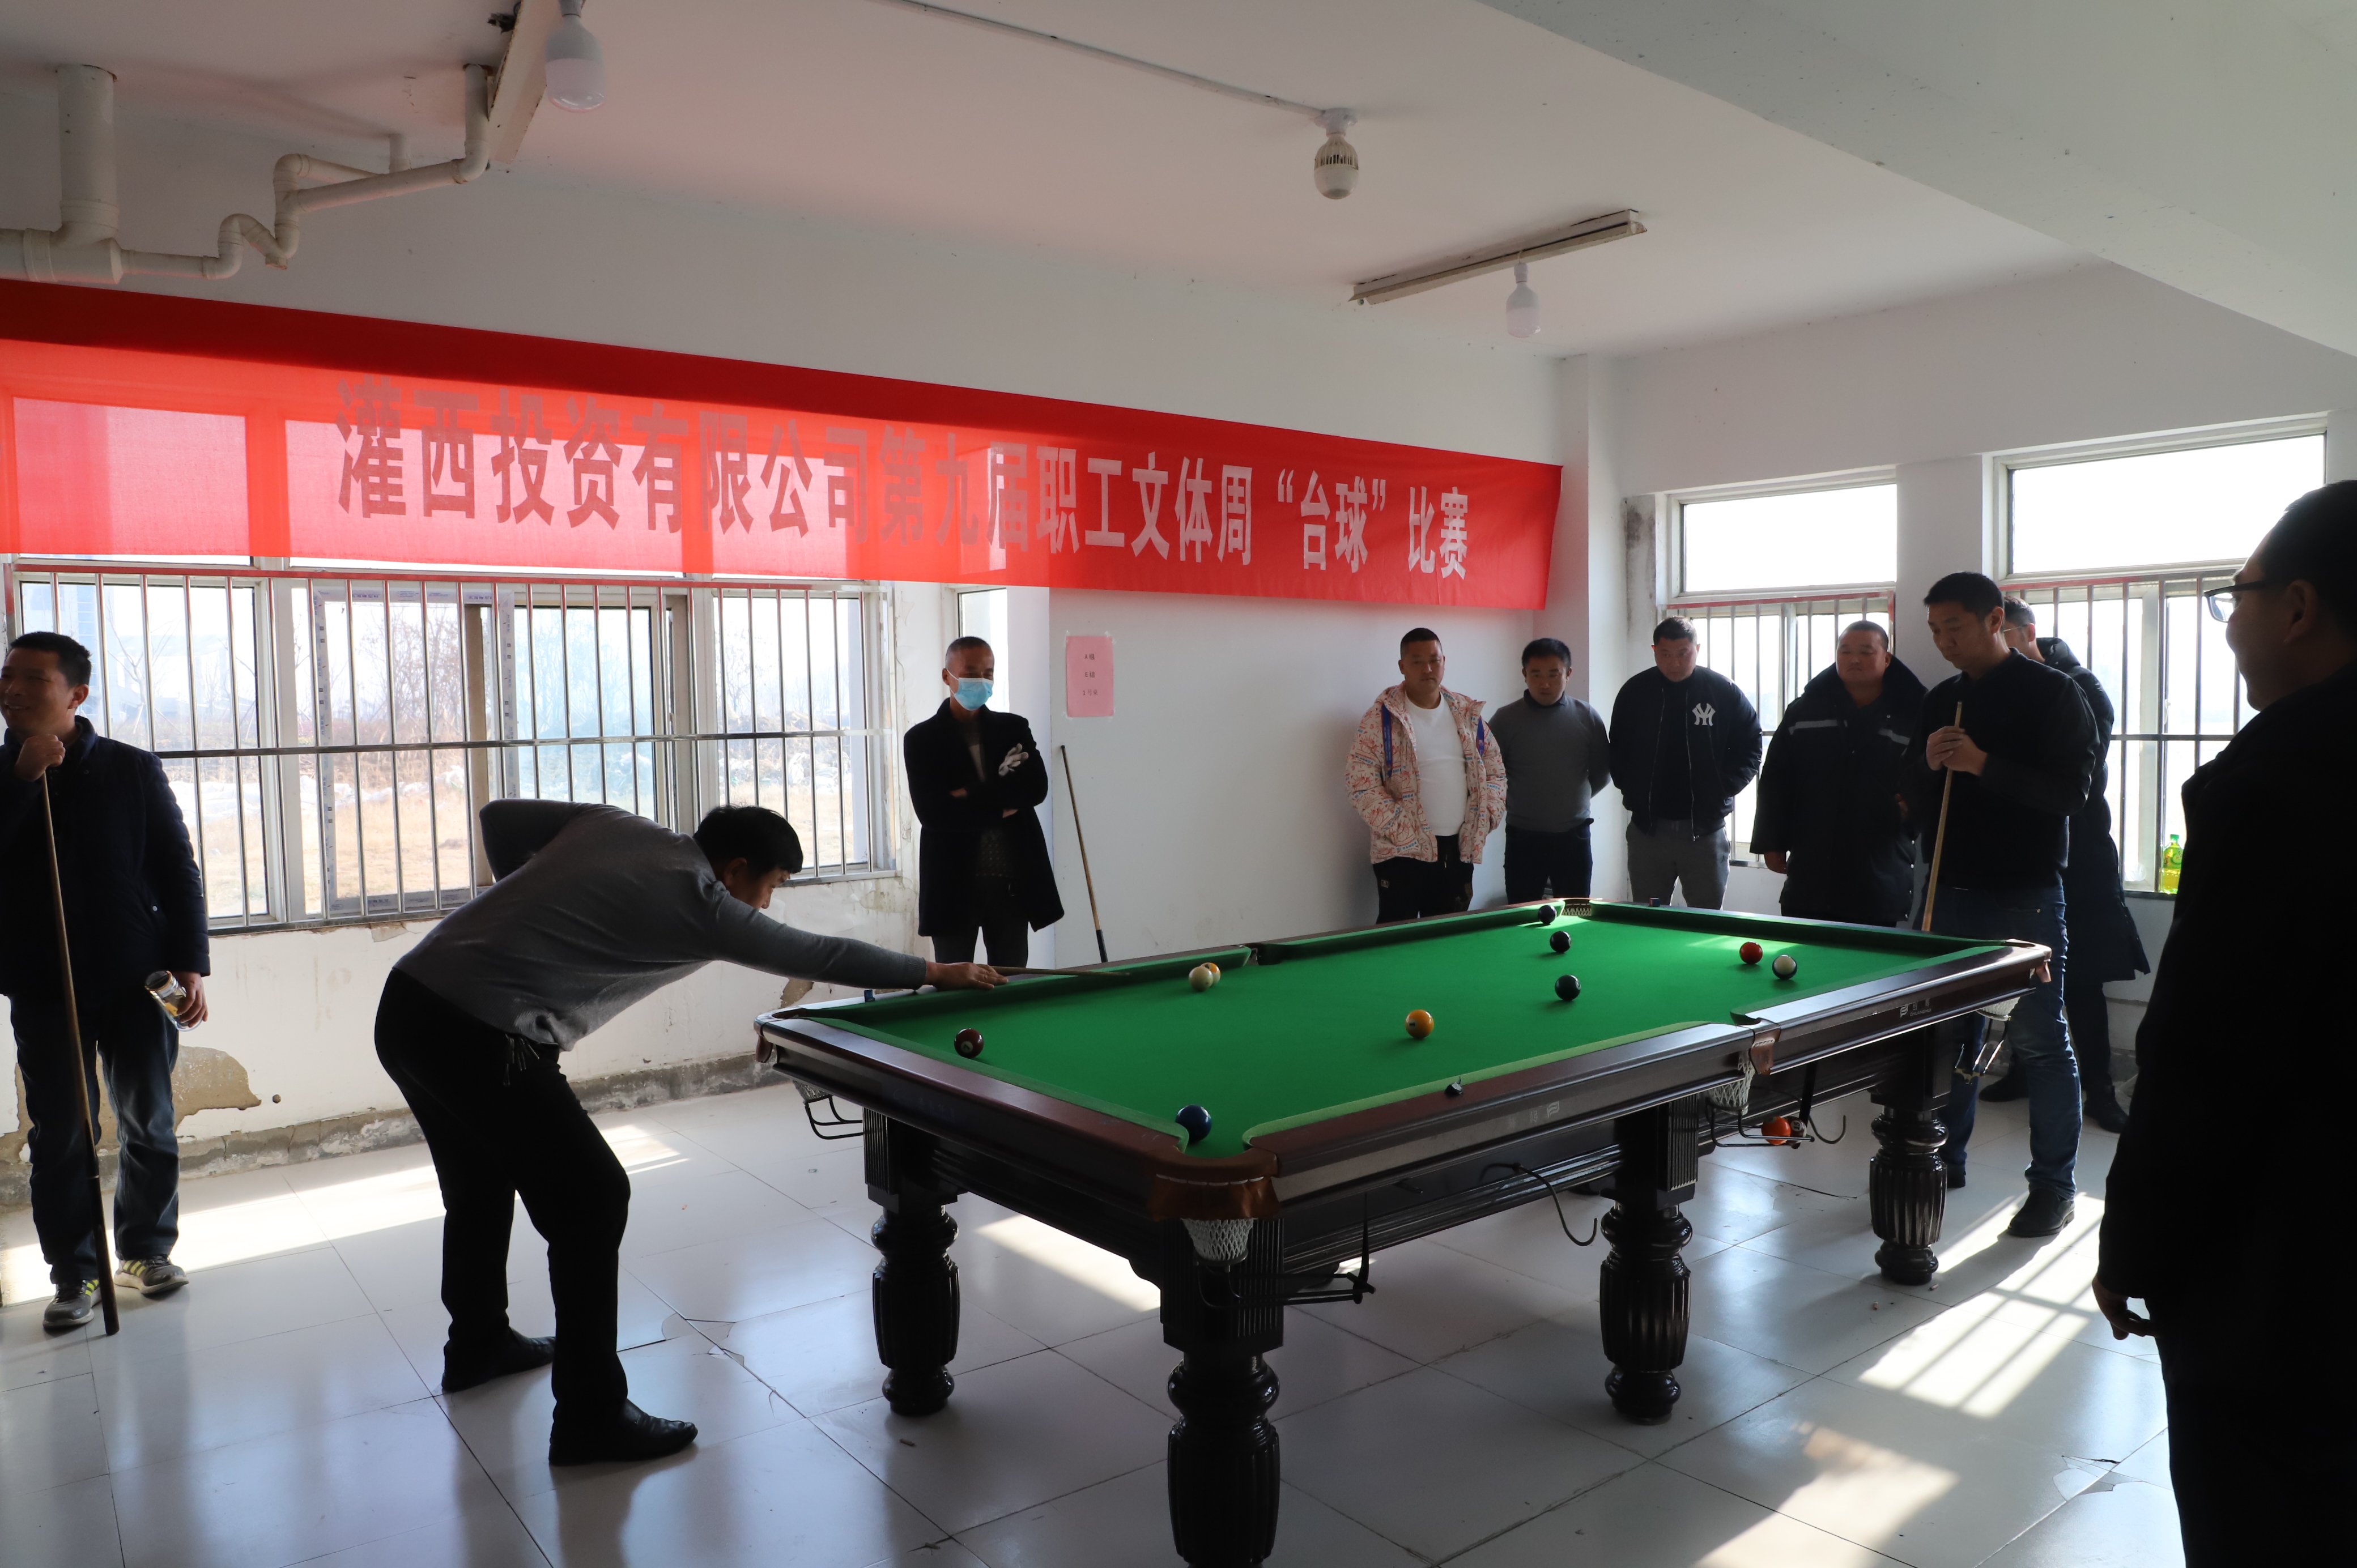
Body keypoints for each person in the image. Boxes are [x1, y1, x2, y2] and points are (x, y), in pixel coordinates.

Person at [378, 799, 999, 1463]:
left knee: (478, 1182)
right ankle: (590, 1415)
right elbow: (816, 952)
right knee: (593, 1198)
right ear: (735, 869)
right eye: (770, 884)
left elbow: (499, 817)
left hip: (410, 1005)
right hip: (486, 1036)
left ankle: (477, 1344)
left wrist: (530, 908)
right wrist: (935, 971)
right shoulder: (704, 906)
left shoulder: (618, 826)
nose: (765, 902)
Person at [2094, 484, 2356, 1566]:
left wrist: (2135, 1238)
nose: (2230, 621)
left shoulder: (2279, 785)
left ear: (2297, 607)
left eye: (2234, 596)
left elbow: (2209, 1057)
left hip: (2287, 1273)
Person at [1, 632, 206, 1330]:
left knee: (149, 1119)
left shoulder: (130, 768)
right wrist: (22, 779)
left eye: (34, 679)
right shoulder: (3, 772)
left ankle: (146, 1250)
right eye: (7, 677)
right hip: (43, 982)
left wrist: (190, 963)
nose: (14, 690)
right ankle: (76, 1271)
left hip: (137, 977)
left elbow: (177, 869)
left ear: (76, 693)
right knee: (62, 1130)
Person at [1900, 572, 2097, 1237]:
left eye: (1953, 627)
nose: (1943, 641)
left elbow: (2071, 792)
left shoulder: (2053, 692)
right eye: (1934, 630)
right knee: (1947, 1035)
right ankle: (1941, 1159)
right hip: (1947, 889)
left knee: (2038, 1040)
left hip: (2023, 893)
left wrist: (1983, 763)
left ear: (1993, 621)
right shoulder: (1940, 699)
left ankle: (2052, 1187)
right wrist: (1927, 767)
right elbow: (1909, 796)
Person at [1979, 601, 2148, 1131]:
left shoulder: (2079, 688)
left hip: (2082, 852)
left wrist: (1996, 764)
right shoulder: (1996, 686)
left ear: (2025, 632)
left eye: (2001, 633)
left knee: (2083, 974)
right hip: (2020, 849)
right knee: (2020, 965)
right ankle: (2023, 1070)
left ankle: (2098, 1088)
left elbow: (2073, 776)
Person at [1749, 621, 1926, 925]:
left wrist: (1915, 808)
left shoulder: (1914, 714)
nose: (1854, 659)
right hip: (1810, 867)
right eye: (1845, 652)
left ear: (1887, 659)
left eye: (1866, 652)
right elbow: (1776, 778)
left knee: (1871, 952)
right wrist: (1771, 840)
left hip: (1879, 870)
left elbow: (1930, 776)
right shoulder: (1805, 710)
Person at [904, 637, 1062, 967]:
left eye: (988, 673)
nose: (981, 680)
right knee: (953, 980)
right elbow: (935, 815)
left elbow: (1035, 789)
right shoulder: (922, 740)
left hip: (1011, 883)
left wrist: (969, 795)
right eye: (971, 673)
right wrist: (1002, 804)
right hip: (952, 883)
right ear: (947, 676)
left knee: (1011, 981)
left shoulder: (1012, 728)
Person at [1345, 628, 1506, 923]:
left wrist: (1488, 815)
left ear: (1444, 662)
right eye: (1417, 661)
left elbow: (1495, 770)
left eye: (1434, 660)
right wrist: (1402, 830)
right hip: (1401, 853)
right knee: (1397, 939)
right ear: (1402, 666)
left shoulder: (1467, 713)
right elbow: (1361, 784)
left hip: (1457, 850)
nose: (1428, 669)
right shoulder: (1381, 719)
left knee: (1447, 938)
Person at [1607, 617, 1762, 909]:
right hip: (1648, 832)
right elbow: (1617, 750)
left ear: (1697, 649)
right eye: (1665, 654)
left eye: (1683, 653)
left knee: (1706, 917)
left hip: (1705, 832)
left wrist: (1723, 788)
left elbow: (1751, 747)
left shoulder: (1723, 691)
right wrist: (1632, 789)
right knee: (1649, 913)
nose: (1675, 663)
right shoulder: (1635, 692)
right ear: (1654, 651)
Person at [1488, 637, 1612, 902]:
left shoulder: (1587, 717)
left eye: (1554, 674)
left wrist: (1572, 800)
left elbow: (1602, 773)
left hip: (1574, 836)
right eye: (1536, 674)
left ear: (1568, 674)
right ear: (1524, 675)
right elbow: (1490, 775)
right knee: (1522, 911)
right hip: (1523, 837)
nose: (1545, 684)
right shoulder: (1505, 720)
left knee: (1577, 911)